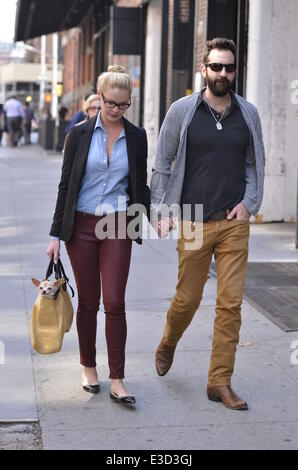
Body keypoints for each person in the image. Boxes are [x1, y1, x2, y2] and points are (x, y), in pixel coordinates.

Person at [150, 38, 265, 410]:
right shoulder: (182, 111)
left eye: (229, 67)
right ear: (204, 69)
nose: (222, 73)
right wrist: (159, 210)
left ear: (235, 70)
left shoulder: (247, 114)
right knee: (188, 298)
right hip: (193, 219)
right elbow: (163, 163)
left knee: (230, 304)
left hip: (233, 222)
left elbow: (254, 162)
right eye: (216, 67)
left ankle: (219, 381)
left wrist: (249, 203)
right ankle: (169, 339)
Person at [46, 65, 150, 405]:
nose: (116, 110)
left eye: (123, 104)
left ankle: (117, 378)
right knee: (88, 301)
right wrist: (55, 236)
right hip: (81, 226)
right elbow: (66, 186)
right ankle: (88, 367)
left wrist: (152, 216)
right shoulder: (78, 134)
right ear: (99, 97)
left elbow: (139, 184)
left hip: (118, 223)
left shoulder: (136, 137)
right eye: (110, 103)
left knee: (115, 301)